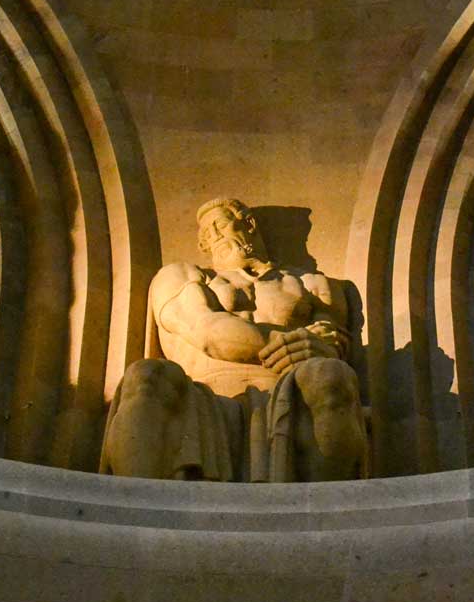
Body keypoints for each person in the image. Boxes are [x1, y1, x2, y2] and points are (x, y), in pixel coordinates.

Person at [99, 198, 368, 482]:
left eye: (220, 225)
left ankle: (321, 507)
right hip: (203, 396)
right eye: (206, 235)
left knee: (330, 376)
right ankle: (139, 504)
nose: (214, 237)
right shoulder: (180, 275)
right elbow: (207, 331)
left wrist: (323, 349)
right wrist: (293, 341)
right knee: (146, 375)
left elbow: (334, 342)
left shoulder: (314, 283)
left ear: (248, 223)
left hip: (293, 392)